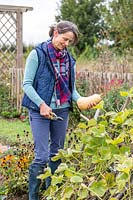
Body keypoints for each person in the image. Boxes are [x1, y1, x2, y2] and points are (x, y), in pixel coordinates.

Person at [22, 20, 96, 200]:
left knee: (56, 154)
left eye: (70, 42)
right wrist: (41, 104)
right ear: (55, 32)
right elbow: (27, 85)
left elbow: (72, 90)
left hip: (61, 111)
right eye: (65, 39)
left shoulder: (69, 60)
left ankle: (51, 194)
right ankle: (34, 196)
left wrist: (81, 101)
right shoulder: (37, 54)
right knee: (41, 156)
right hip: (40, 111)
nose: (66, 44)